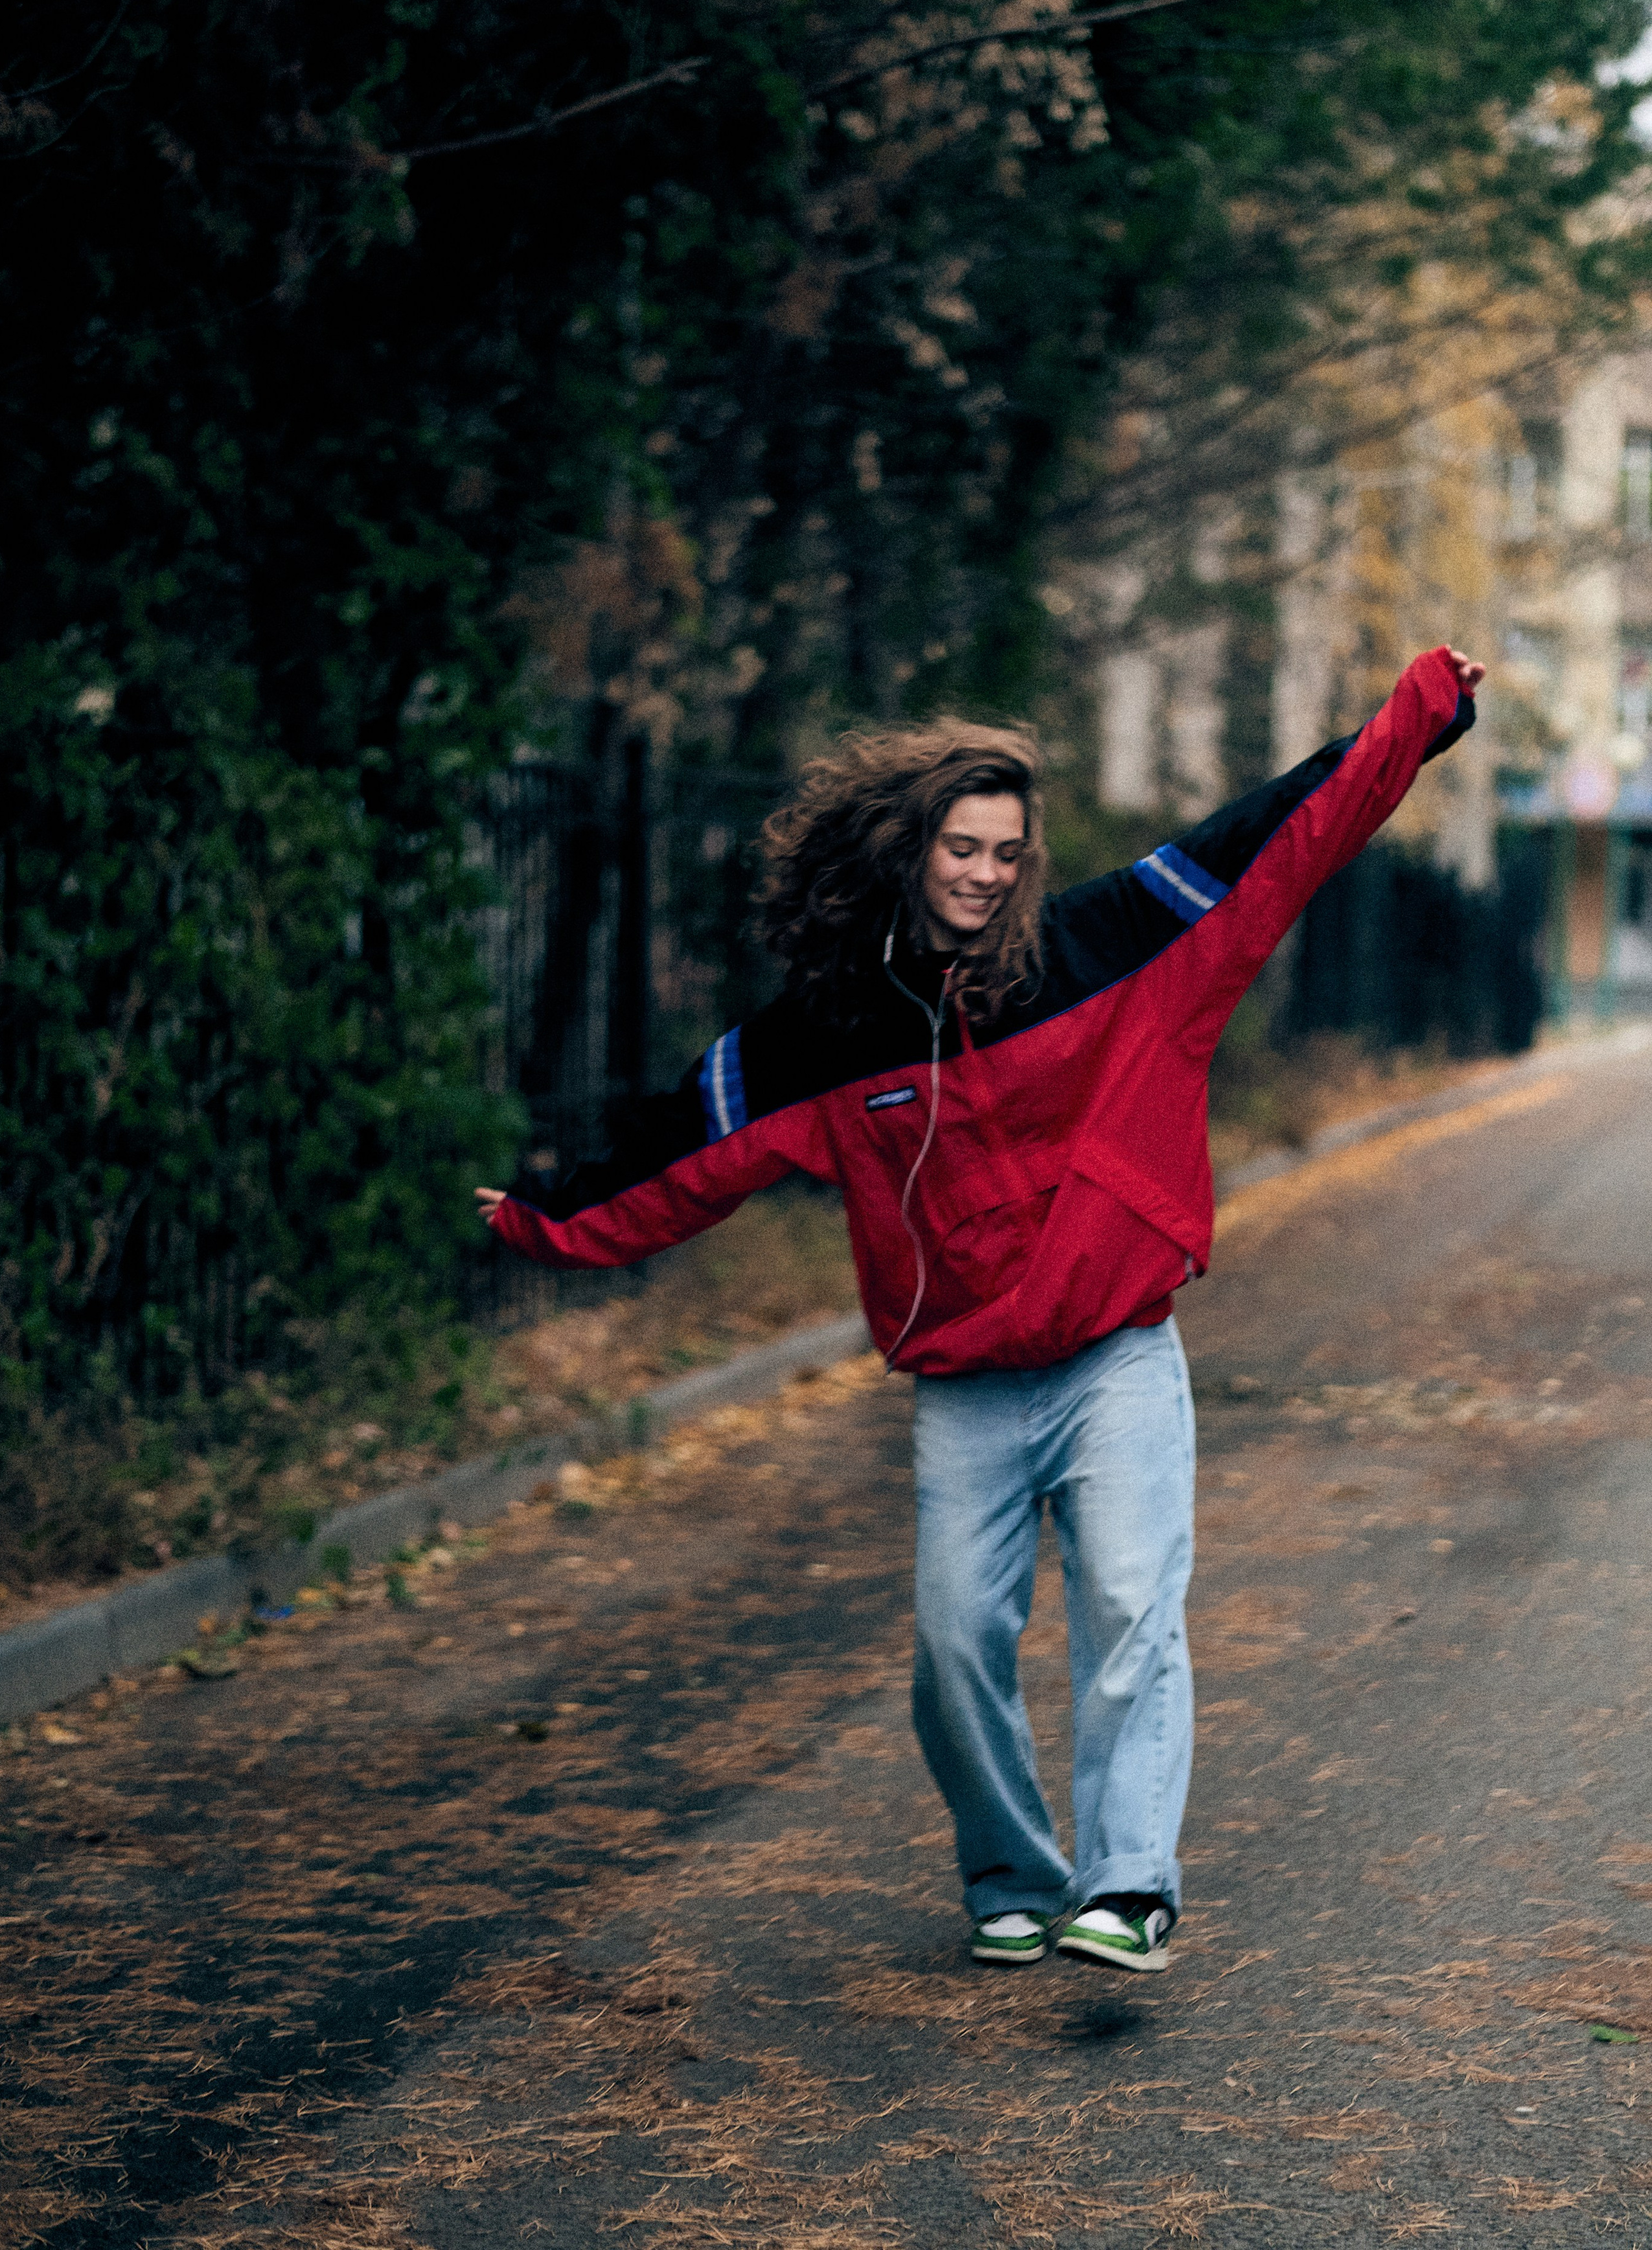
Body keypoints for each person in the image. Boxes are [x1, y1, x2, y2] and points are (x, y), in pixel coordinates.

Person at [478, 645, 1485, 1974]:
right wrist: (540, 1219)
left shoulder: (1117, 944)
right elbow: (684, 1150)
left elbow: (1276, 840)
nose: (986, 873)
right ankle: (1011, 1875)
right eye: (960, 846)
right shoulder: (829, 1033)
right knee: (955, 1646)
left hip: (1114, 1356)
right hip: (966, 1385)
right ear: (908, 851)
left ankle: (1127, 1887)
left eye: (1007, 850)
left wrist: (1417, 714)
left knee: (1132, 1608)